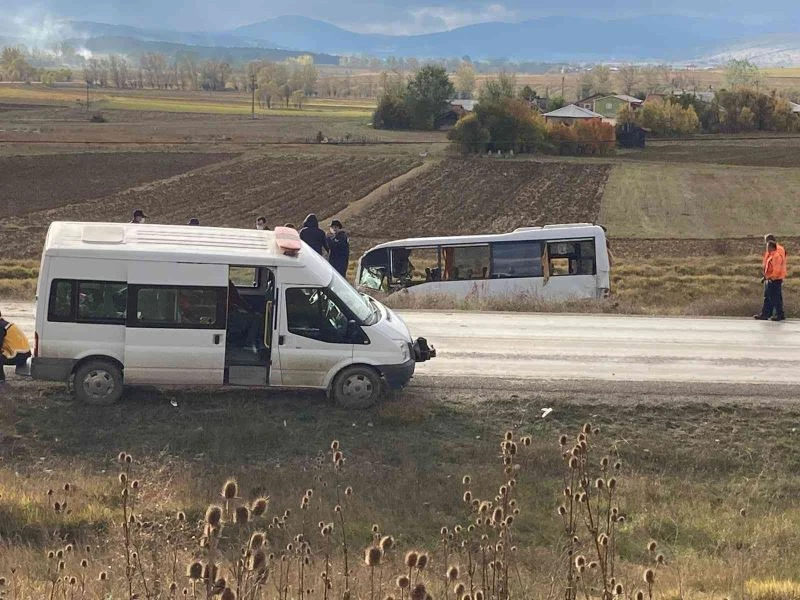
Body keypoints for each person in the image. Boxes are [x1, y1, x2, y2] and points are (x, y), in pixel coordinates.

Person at [755, 240, 787, 321]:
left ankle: (779, 315)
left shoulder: (776, 256)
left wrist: (771, 277)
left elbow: (777, 270)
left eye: (768, 246)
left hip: (775, 280)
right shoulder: (770, 255)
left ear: (771, 247)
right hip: (769, 279)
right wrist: (766, 277)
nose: (766, 248)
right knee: (768, 297)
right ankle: (766, 314)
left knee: (775, 298)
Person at [0, 309, 32, 386]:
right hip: (24, 352)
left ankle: (1, 379)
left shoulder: (1, 327)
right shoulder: (4, 324)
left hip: (19, 354)